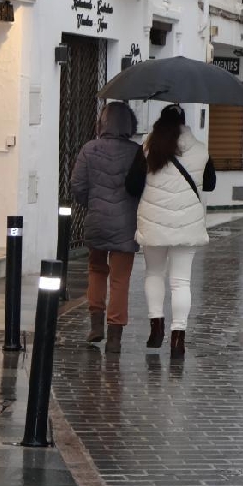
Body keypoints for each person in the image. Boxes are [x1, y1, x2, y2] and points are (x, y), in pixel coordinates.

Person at [126, 104, 216, 359]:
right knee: (181, 281)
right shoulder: (200, 149)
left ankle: (156, 329)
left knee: (154, 273)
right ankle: (178, 338)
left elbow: (132, 185)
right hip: (188, 223)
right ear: (184, 124)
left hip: (154, 222)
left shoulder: (147, 147)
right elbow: (209, 184)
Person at [70, 102, 141, 353]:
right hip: (126, 224)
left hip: (97, 221)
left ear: (102, 123)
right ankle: (114, 337)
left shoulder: (89, 149)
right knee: (120, 279)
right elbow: (142, 187)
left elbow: (77, 186)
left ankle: (95, 325)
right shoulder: (137, 152)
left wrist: (92, 204)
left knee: (96, 271)